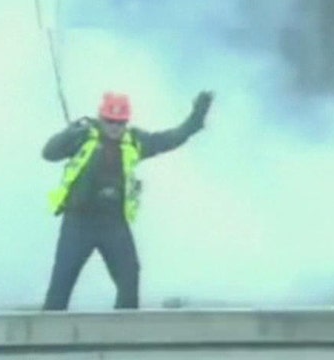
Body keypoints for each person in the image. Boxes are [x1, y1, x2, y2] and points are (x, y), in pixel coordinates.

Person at [42, 91, 214, 310]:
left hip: (113, 223)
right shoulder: (83, 135)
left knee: (129, 277)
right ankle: (47, 337)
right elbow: (49, 153)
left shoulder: (135, 141)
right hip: (79, 221)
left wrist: (196, 118)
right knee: (62, 281)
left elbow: (169, 139)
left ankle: (123, 334)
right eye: (110, 121)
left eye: (120, 123)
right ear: (101, 118)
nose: (115, 127)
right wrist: (68, 134)